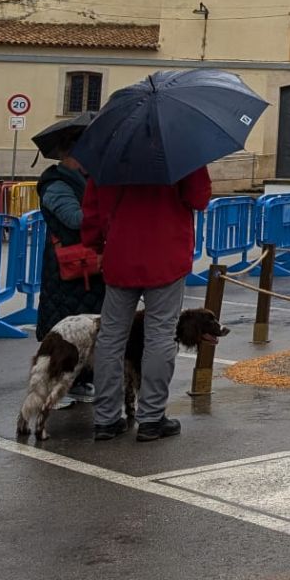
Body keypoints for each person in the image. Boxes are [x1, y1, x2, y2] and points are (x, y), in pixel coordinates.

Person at [86, 166, 213, 442]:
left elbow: (94, 208)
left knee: (111, 338)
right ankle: (151, 418)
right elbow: (199, 198)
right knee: (160, 335)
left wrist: (95, 245)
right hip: (166, 254)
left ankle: (106, 419)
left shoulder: (112, 149)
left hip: (120, 253)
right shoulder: (180, 147)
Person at [34, 143, 102, 407]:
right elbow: (74, 219)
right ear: (69, 156)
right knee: (64, 325)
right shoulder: (57, 185)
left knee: (87, 326)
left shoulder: (83, 180)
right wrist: (102, 213)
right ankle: (58, 381)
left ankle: (81, 379)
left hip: (87, 264)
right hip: (67, 268)